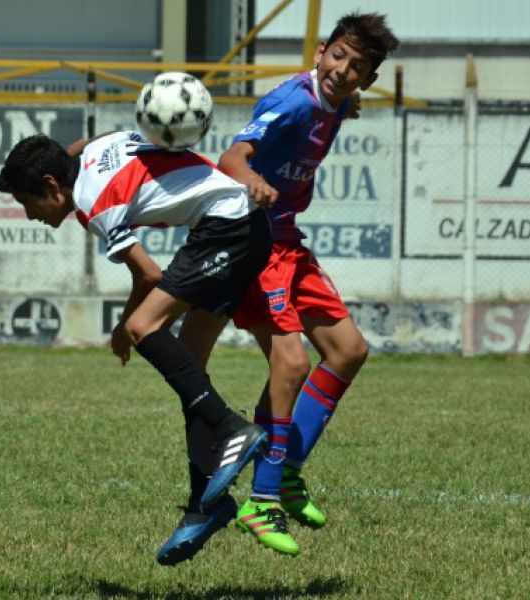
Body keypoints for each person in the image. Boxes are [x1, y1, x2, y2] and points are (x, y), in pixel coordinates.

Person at [0, 131, 273, 566]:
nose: (30, 215)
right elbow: (83, 143)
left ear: (52, 185)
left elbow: (148, 276)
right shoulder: (86, 156)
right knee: (190, 367)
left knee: (144, 325)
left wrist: (125, 328)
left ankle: (232, 430)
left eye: (27, 203)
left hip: (228, 229)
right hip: (244, 226)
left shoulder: (93, 205)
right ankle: (206, 506)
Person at [182, 11, 400, 556]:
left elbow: (342, 102)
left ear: (367, 79)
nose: (343, 71)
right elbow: (232, 156)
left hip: (288, 242)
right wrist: (252, 179)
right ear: (322, 50)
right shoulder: (294, 102)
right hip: (255, 243)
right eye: (339, 56)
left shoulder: (337, 100)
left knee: (348, 350)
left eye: (357, 67)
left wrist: (348, 103)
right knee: (293, 362)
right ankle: (262, 497)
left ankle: (287, 471)